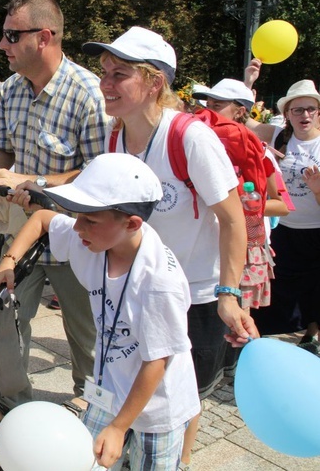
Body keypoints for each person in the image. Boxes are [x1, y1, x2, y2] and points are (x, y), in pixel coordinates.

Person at [80, 25, 257, 468]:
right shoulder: (115, 137)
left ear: (155, 82)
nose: (105, 83)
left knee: (183, 393)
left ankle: (179, 461)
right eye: (103, 72)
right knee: (134, 377)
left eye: (118, 74)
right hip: (137, 286)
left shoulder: (190, 137)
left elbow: (232, 218)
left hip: (194, 292)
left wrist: (229, 292)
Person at [0, 154, 199, 470]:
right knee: (84, 461)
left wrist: (119, 427)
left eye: (89, 220)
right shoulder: (95, 239)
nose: (77, 227)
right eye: (78, 216)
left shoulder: (158, 282)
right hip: (107, 391)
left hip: (155, 407)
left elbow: (157, 362)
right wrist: (8, 262)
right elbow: (43, 219)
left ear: (132, 223)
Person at [0, 0, 109, 414]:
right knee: (8, 321)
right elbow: (2, 151)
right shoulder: (12, 91)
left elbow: (99, 174)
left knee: (86, 330)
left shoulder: (88, 94)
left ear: (43, 37)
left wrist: (31, 180)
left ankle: (93, 406)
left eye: (10, 35)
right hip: (21, 231)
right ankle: (11, 404)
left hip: (76, 235)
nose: (1, 45)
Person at [191, 78, 290, 310]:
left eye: (217, 105)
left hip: (244, 249)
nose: (208, 111)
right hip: (203, 250)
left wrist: (241, 204)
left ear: (240, 112)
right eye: (208, 105)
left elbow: (282, 205)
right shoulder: (195, 145)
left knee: (235, 328)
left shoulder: (259, 153)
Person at [251, 80, 320, 341]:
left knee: (315, 291)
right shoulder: (278, 136)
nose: (305, 115)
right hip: (286, 230)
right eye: (298, 110)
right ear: (288, 115)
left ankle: (312, 338)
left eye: (311, 109)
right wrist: (249, 81)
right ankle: (271, 342)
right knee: (279, 288)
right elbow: (239, 121)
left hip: (316, 232)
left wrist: (316, 190)